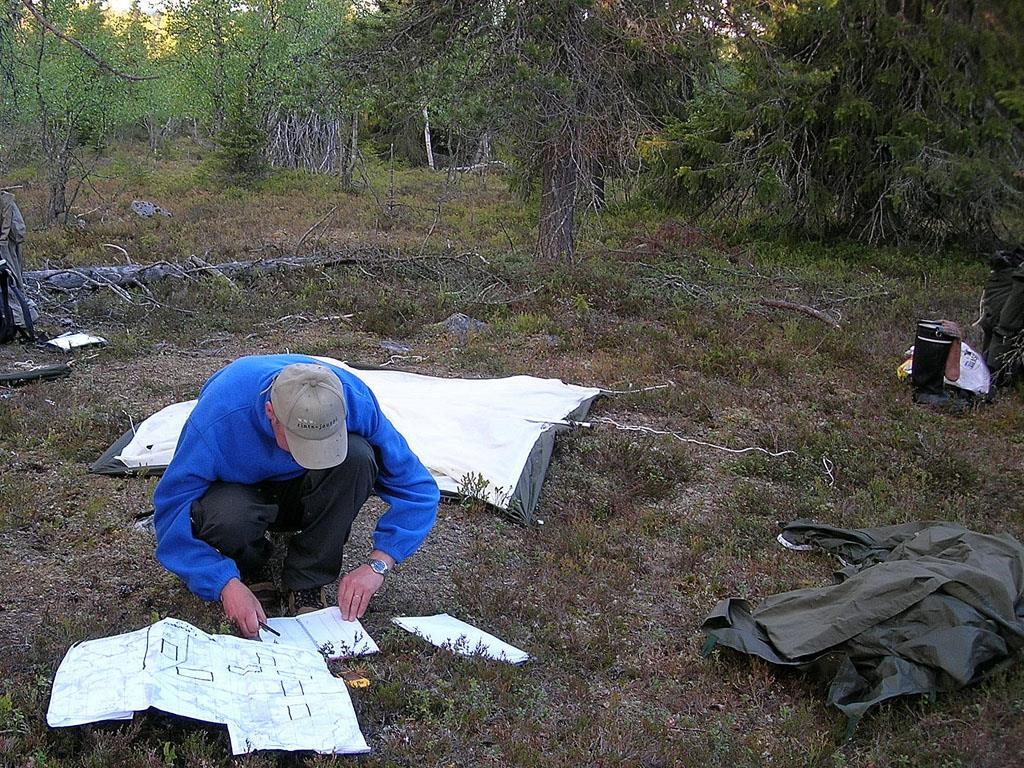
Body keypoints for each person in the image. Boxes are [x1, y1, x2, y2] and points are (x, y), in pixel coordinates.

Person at [152, 354, 440, 638]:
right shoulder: (219, 418)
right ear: (270, 413)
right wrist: (222, 582)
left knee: (358, 457)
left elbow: (419, 489)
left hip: (305, 494)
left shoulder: (352, 399)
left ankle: (307, 579)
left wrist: (379, 563)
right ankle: (249, 568)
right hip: (241, 497)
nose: (311, 457)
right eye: (301, 444)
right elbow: (170, 513)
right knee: (227, 514)